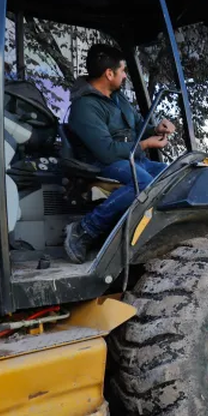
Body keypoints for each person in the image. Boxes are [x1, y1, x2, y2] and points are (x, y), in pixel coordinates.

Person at [62, 44, 176, 263]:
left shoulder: (117, 98)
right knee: (142, 183)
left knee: (176, 174)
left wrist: (156, 129)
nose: (125, 76)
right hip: (103, 162)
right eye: (123, 71)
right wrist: (145, 144)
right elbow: (106, 152)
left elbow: (138, 126)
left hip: (132, 158)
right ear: (109, 73)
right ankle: (84, 230)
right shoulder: (84, 107)